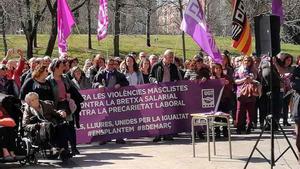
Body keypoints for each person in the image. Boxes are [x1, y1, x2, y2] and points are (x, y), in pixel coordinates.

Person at [22, 92, 71, 160]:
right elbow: (25, 126)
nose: (35, 101)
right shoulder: (27, 110)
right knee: (48, 125)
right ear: (29, 103)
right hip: (39, 130)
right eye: (32, 100)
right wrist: (36, 125)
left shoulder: (46, 105)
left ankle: (63, 149)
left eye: (36, 98)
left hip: (51, 126)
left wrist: (62, 112)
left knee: (63, 126)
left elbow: (56, 114)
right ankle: (54, 147)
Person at [93, 58, 129, 144]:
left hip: (116, 100)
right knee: (105, 119)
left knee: (117, 118)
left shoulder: (119, 74)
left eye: (113, 64)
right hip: (104, 100)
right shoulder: (101, 74)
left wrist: (119, 84)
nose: (111, 66)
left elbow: (126, 82)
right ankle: (105, 138)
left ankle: (118, 137)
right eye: (109, 64)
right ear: (105, 64)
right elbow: (94, 83)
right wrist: (99, 85)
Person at [149, 49, 181, 142]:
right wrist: (155, 81)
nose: (171, 59)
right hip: (158, 92)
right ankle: (158, 134)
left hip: (169, 93)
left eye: (172, 57)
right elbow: (150, 76)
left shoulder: (174, 67)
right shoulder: (156, 65)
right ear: (164, 57)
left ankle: (167, 134)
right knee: (158, 114)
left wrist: (175, 81)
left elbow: (177, 78)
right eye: (170, 57)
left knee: (168, 114)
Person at [234, 56, 260, 134]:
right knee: (239, 111)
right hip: (241, 92)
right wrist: (243, 80)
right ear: (243, 61)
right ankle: (239, 127)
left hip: (251, 92)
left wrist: (252, 80)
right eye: (245, 60)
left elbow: (257, 80)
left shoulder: (254, 70)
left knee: (250, 111)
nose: (247, 62)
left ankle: (249, 126)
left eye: (249, 60)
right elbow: (235, 81)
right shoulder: (238, 69)